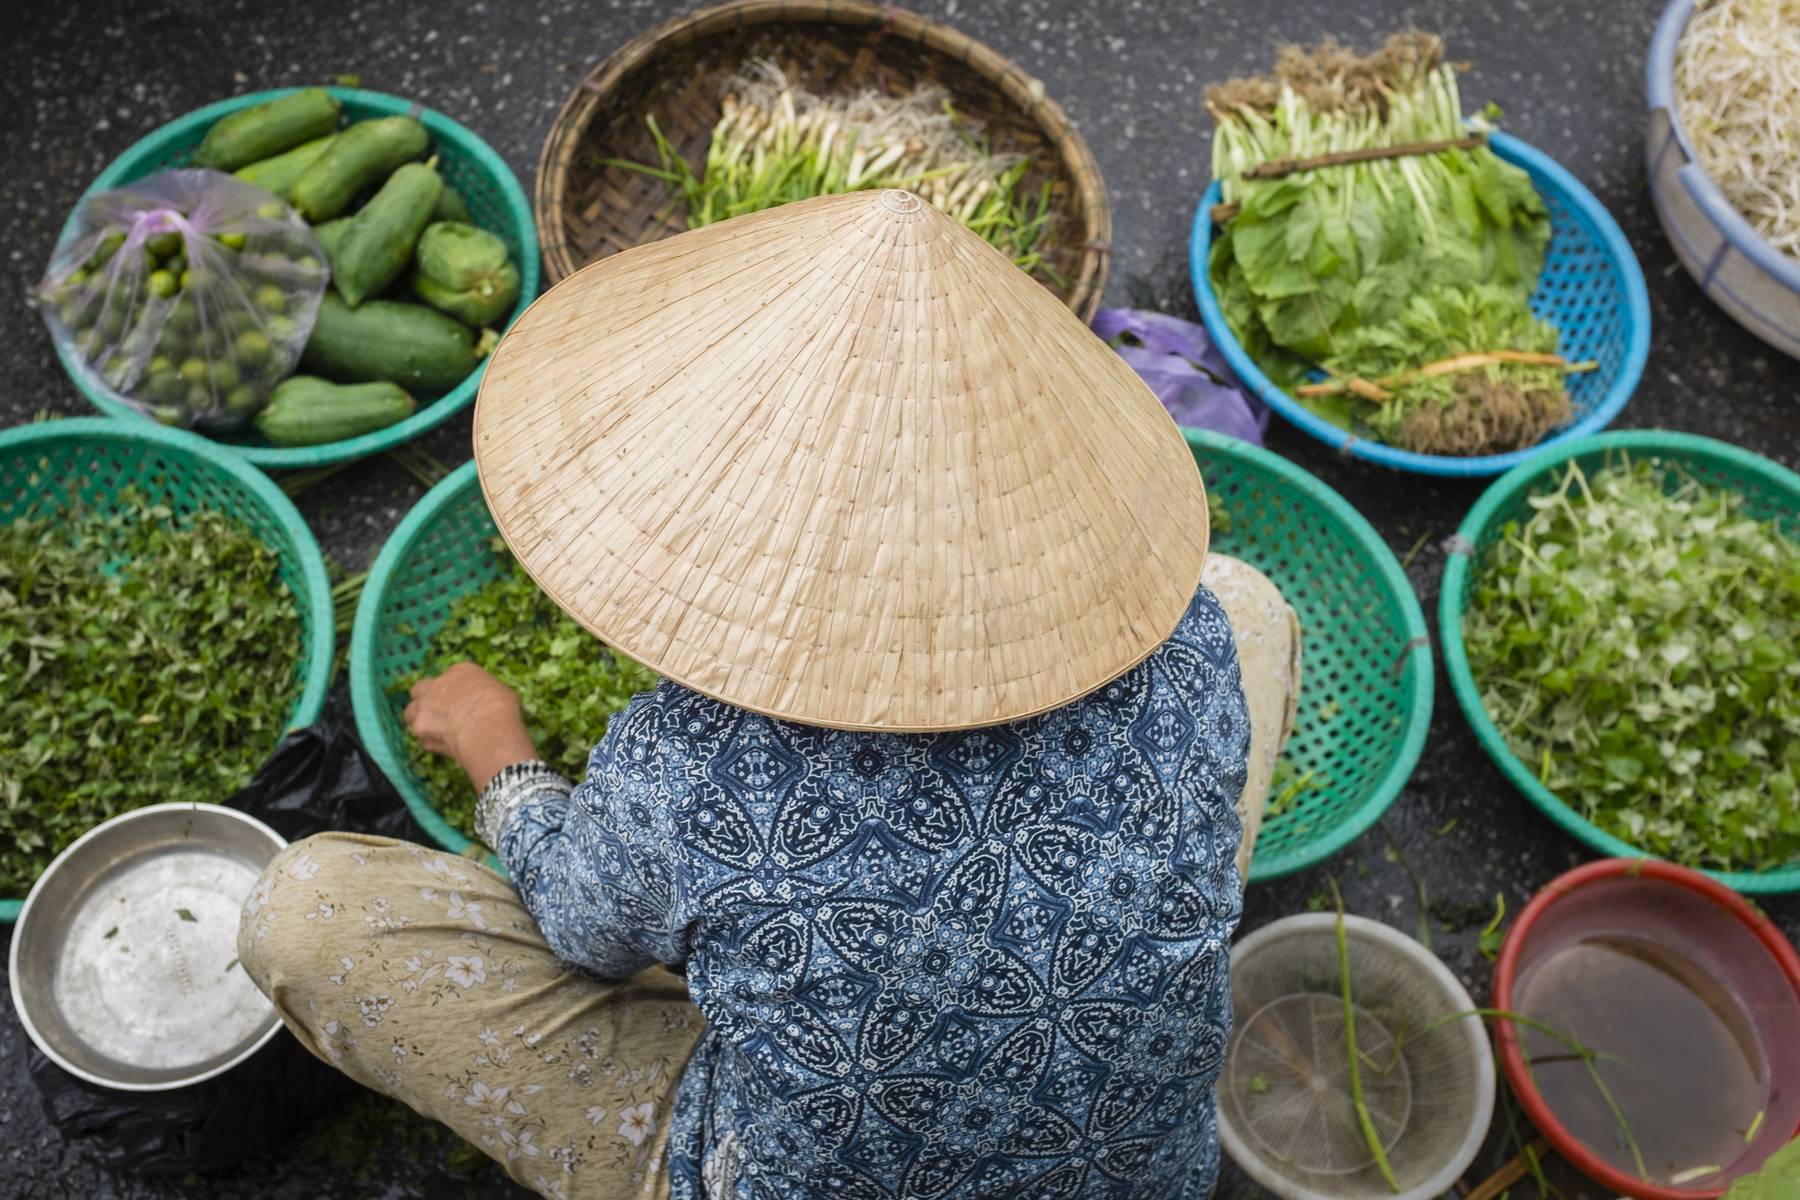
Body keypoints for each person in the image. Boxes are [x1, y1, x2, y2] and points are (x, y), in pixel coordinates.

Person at [238, 190, 1300, 1200]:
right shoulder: (1183, 640)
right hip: (1139, 1176)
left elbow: (582, 931)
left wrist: (496, 751)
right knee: (1248, 597)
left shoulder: (691, 763)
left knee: (305, 913)